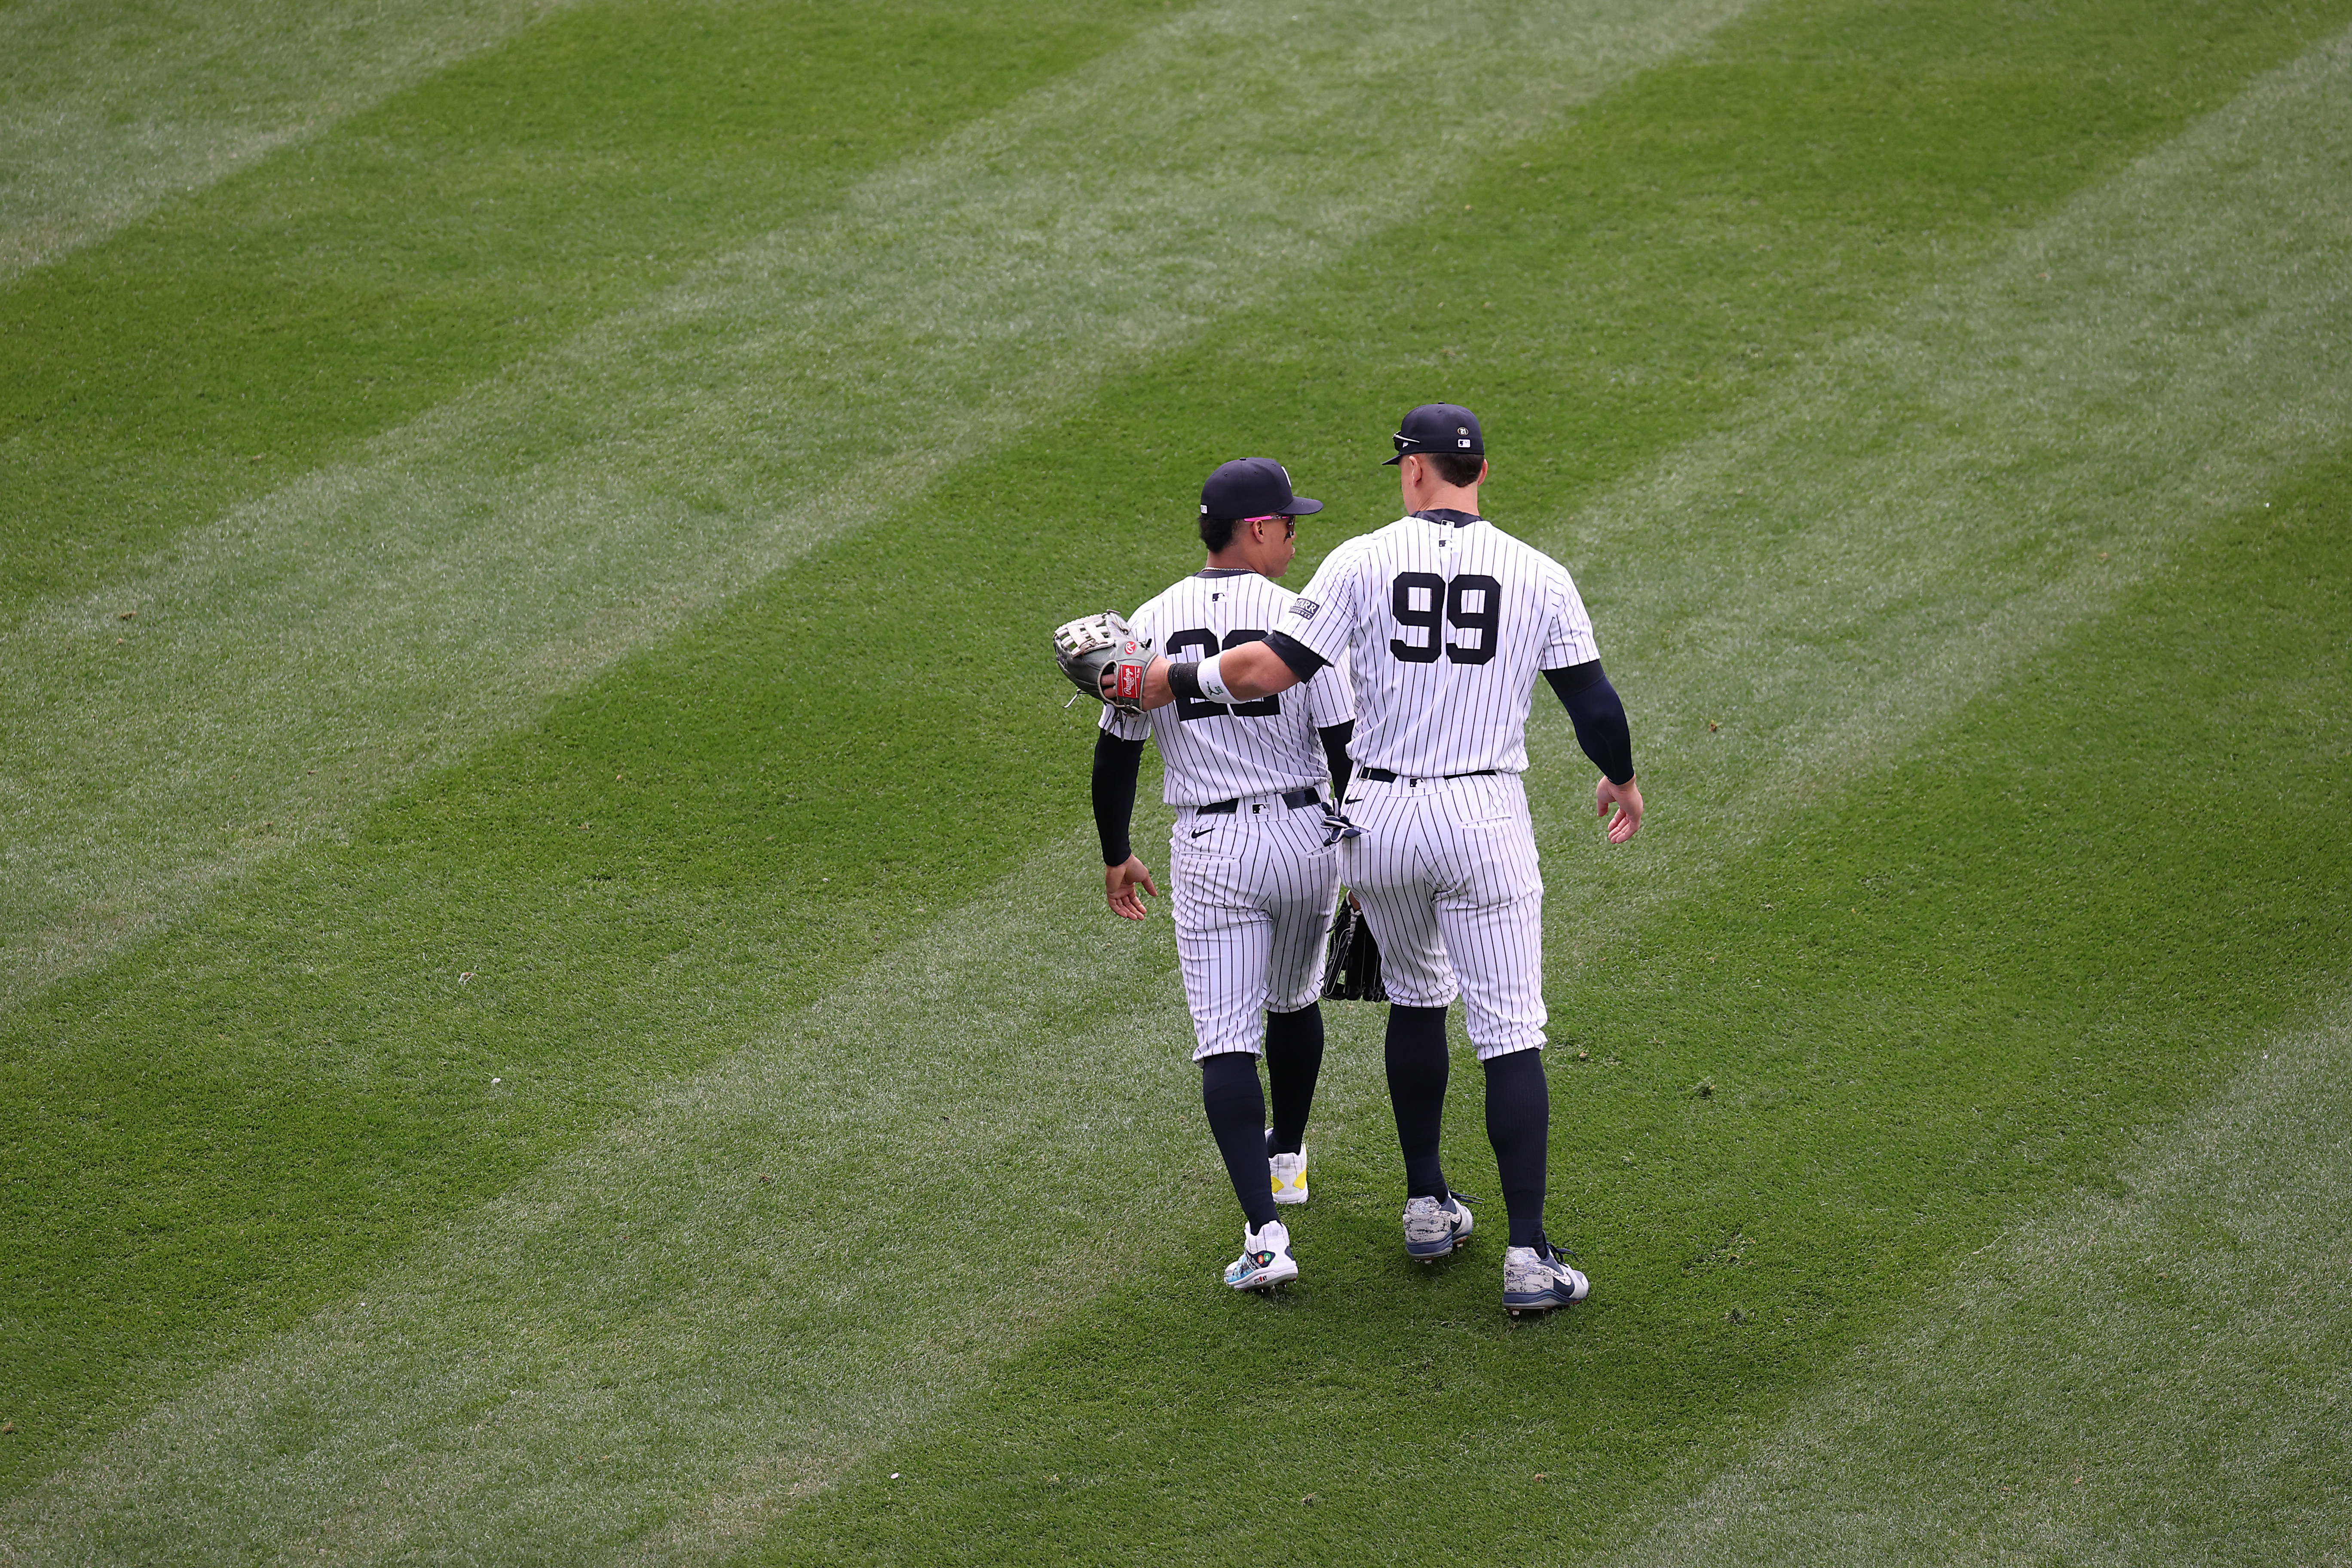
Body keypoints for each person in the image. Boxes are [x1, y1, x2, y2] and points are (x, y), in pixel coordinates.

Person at [1129, 405, 1643, 1315]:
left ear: (1413, 473)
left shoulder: (1359, 559)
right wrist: (1620, 776)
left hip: (1381, 817)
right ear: (1479, 471)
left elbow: (1268, 670)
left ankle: (1425, 1203)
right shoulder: (1538, 572)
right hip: (1483, 812)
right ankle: (1527, 1256)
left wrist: (1174, 678)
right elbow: (1591, 700)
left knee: (1415, 994)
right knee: (1511, 1031)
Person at [1094, 457, 1358, 1292]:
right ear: (1255, 530)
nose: (1293, 535)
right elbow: (1347, 745)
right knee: (1296, 999)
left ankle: (1266, 1236)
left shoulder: (1152, 617)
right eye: (1288, 523)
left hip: (1210, 849)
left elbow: (1116, 750)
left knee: (1225, 1041)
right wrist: (1359, 852)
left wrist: (1116, 852)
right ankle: (1288, 1157)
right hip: (1306, 833)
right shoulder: (1299, 615)